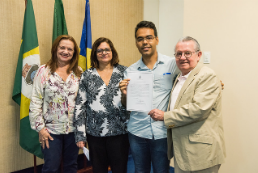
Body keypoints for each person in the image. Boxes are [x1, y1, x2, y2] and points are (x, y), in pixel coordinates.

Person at [148, 36, 226, 173]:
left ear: (199, 55)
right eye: (179, 54)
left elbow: (198, 109)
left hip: (201, 153)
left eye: (187, 53)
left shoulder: (207, 75)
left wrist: (165, 116)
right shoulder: (180, 77)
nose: (182, 57)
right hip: (183, 150)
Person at [119, 21, 179, 173]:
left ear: (157, 40)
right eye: (140, 39)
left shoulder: (171, 64)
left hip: (161, 132)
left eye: (149, 37)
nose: (145, 42)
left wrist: (209, 82)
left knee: (162, 170)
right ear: (136, 43)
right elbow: (126, 105)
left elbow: (190, 76)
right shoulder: (130, 71)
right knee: (140, 170)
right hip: (137, 131)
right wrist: (124, 94)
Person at [74, 37, 130, 173]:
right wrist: (80, 135)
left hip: (120, 132)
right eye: (99, 50)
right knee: (99, 170)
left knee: (120, 169)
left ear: (112, 52)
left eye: (107, 49)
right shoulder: (87, 75)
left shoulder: (125, 72)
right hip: (95, 134)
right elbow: (80, 105)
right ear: (94, 54)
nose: (103, 52)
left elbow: (134, 99)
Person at [29, 35, 82, 173]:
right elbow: (35, 101)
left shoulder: (79, 73)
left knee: (71, 165)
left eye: (70, 49)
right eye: (62, 47)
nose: (66, 51)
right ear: (55, 49)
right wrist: (40, 128)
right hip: (51, 131)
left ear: (74, 52)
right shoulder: (43, 71)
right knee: (51, 168)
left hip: (73, 130)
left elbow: (82, 103)